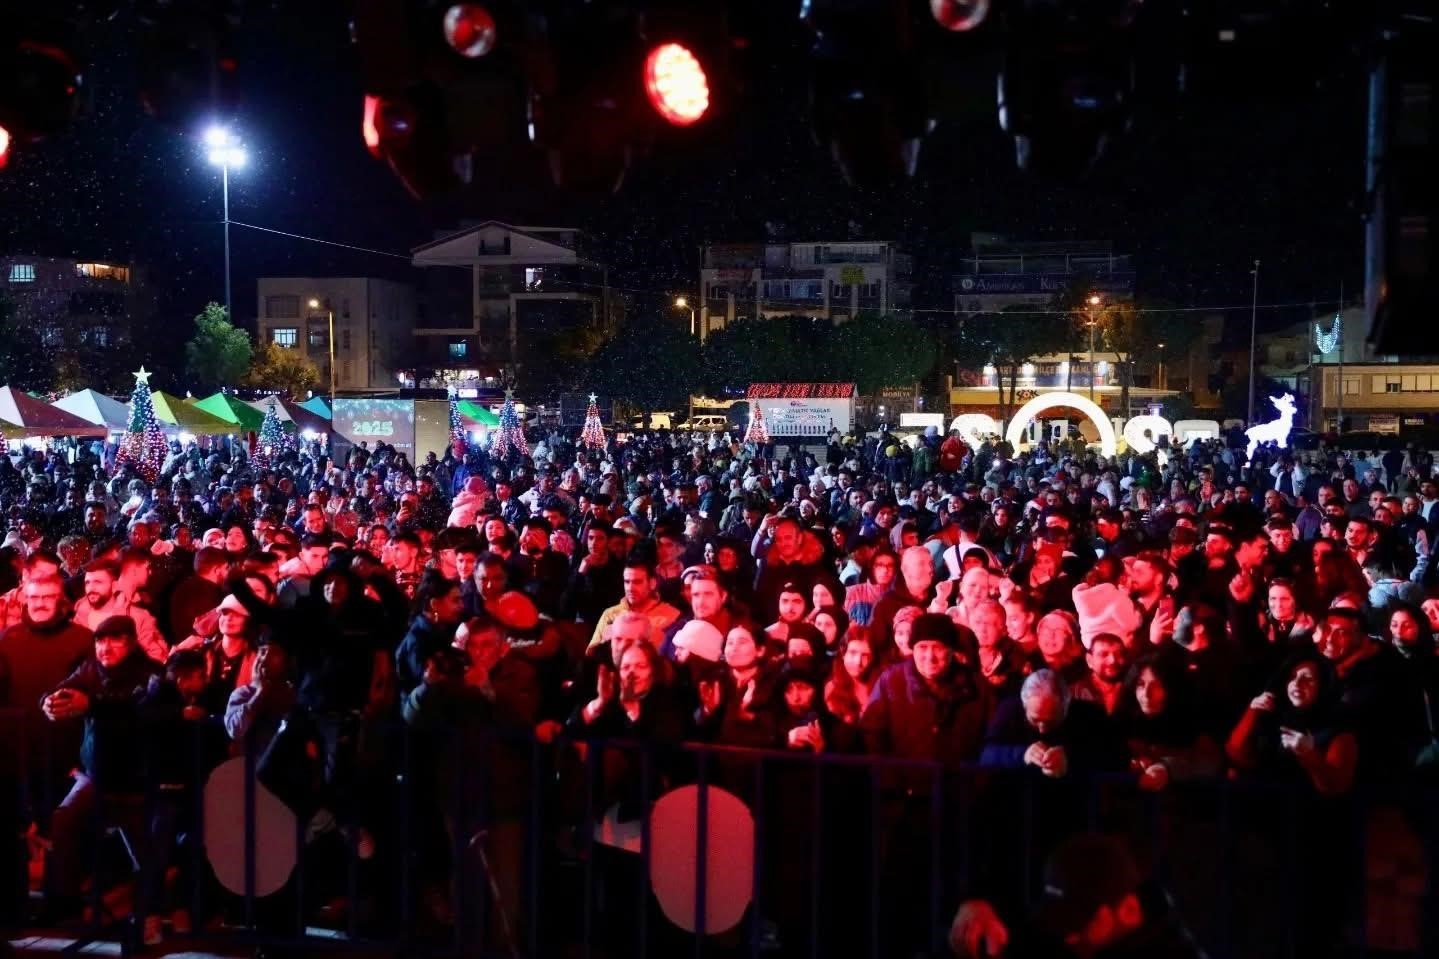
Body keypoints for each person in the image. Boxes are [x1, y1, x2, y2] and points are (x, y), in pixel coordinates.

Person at [949, 833, 1206, 959]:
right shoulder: (1070, 941)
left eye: (1082, 919)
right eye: (1061, 916)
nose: (1069, 935)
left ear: (1127, 910)